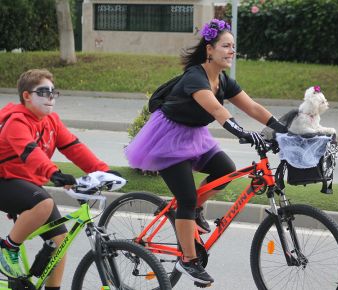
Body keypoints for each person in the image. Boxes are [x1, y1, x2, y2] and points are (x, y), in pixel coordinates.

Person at [125, 19, 287, 286]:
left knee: (225, 169)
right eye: (226, 45)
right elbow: (217, 111)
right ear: (209, 50)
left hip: (194, 135)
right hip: (167, 139)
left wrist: (281, 128)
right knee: (186, 197)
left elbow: (253, 107)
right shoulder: (195, 77)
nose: (231, 51)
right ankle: (188, 260)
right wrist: (244, 134)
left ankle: (195, 210)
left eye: (233, 46)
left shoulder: (223, 80)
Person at [0, 69, 119, 290]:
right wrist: (53, 173)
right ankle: (8, 248)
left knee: (60, 242)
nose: (50, 98)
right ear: (27, 96)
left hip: (26, 184)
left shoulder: (51, 121)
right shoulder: (16, 122)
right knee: (44, 202)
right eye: (44, 92)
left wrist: (104, 171)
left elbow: (74, 148)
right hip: (4, 181)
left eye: (54, 93)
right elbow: (30, 152)